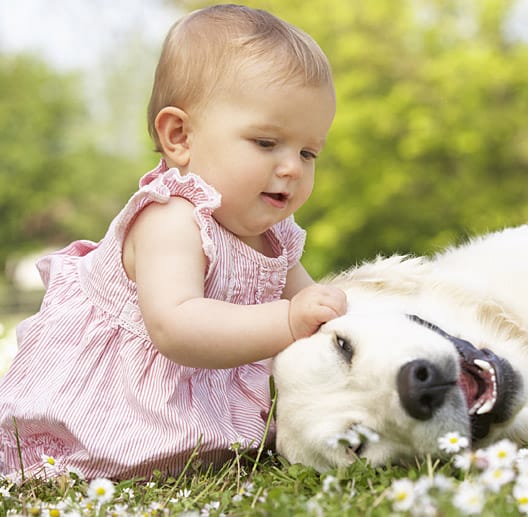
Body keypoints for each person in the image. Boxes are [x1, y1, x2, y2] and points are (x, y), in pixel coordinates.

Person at [0, 4, 347, 480]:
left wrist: (331, 313)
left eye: (308, 152)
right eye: (267, 143)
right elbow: (178, 326)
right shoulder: (170, 218)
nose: (292, 167)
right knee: (78, 462)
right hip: (116, 408)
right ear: (179, 136)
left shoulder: (276, 237)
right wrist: (289, 319)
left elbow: (311, 304)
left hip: (197, 416)